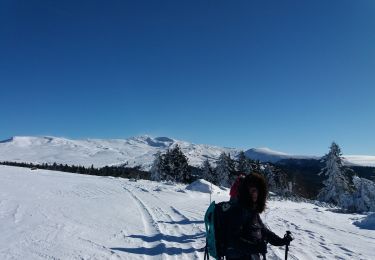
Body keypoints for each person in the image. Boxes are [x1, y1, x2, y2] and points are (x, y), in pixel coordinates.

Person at [223, 172, 293, 260]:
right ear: (245, 191)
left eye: (257, 191)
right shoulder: (238, 211)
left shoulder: (251, 211)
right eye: (252, 190)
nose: (255, 194)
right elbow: (233, 240)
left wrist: (281, 241)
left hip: (251, 256)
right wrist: (255, 248)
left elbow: (263, 231)